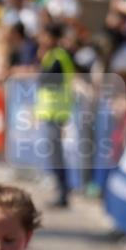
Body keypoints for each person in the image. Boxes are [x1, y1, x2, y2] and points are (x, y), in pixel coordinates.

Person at [35, 23, 76, 208]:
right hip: (50, 112)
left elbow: (49, 81)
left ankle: (63, 192)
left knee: (57, 155)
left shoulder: (59, 56)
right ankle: (61, 190)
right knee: (53, 155)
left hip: (57, 112)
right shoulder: (51, 56)